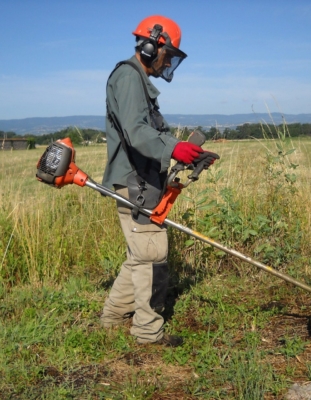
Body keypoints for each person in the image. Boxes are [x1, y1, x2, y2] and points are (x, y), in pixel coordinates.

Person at [100, 15, 211, 346]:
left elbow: (151, 132)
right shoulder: (127, 77)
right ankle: (148, 333)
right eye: (169, 53)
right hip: (134, 180)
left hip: (143, 178)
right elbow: (136, 132)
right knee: (151, 251)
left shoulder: (138, 81)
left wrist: (186, 149)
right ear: (151, 46)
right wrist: (175, 147)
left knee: (140, 252)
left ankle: (113, 316)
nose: (168, 61)